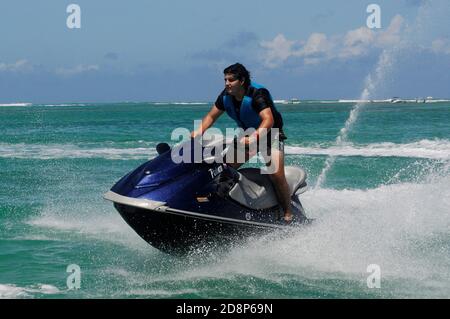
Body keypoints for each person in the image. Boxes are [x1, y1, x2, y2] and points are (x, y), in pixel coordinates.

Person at [191, 63, 294, 223]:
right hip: (247, 136)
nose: (227, 83)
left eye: (231, 80)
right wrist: (199, 131)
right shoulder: (225, 96)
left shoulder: (257, 94)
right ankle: (225, 206)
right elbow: (211, 116)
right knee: (224, 169)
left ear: (242, 80)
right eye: (225, 79)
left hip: (270, 134)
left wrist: (254, 138)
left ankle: (288, 212)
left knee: (276, 174)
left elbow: (268, 119)